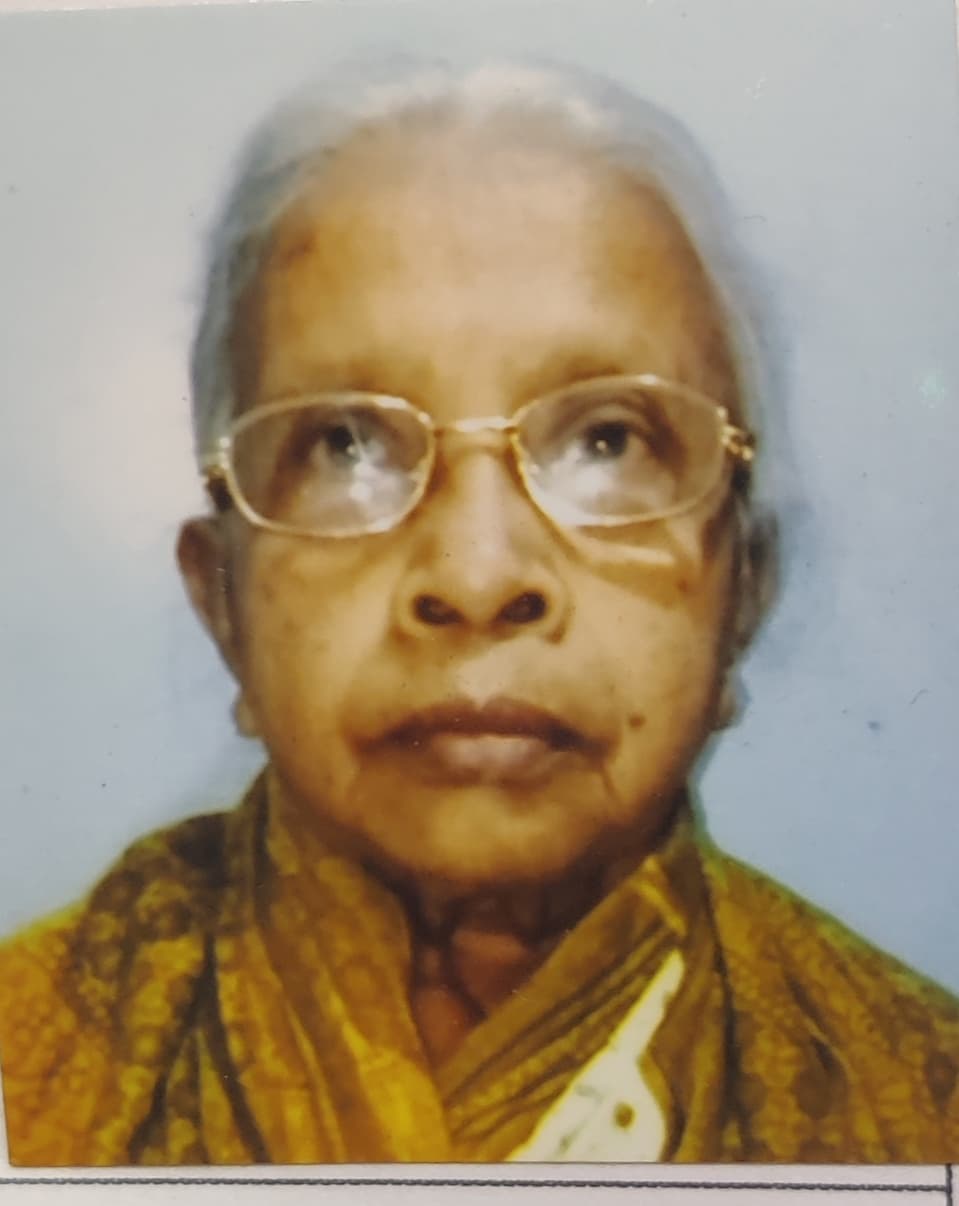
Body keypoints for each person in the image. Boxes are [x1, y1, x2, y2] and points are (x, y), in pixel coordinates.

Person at [0, 61, 956, 1167]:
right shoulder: (33, 1073)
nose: (475, 572)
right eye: (345, 446)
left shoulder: (919, 1106)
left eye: (606, 441)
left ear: (742, 587)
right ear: (223, 601)